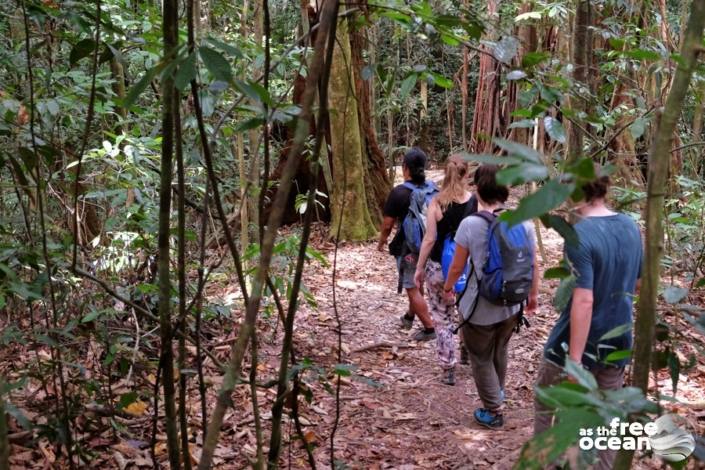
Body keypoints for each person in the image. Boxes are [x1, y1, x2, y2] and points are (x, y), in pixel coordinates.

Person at [533, 173, 642, 469]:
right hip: (617, 340)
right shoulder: (631, 227)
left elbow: (584, 300)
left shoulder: (578, 236)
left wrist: (575, 361)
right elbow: (638, 283)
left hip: (575, 342)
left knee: (545, 401)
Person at [443, 164, 539, 429]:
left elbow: (457, 266)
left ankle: (494, 410)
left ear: (477, 189)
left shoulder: (470, 225)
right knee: (501, 348)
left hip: (480, 306)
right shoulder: (523, 220)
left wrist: (448, 286)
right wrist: (532, 296)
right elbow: (533, 264)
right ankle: (498, 392)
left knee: (481, 356)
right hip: (512, 303)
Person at [414, 154, 475, 385]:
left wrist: (419, 268)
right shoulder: (474, 203)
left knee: (441, 316)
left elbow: (429, 239)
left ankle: (448, 367)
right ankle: (466, 349)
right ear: (466, 174)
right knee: (467, 310)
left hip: (439, 267)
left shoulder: (437, 203)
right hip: (468, 269)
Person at [377, 148, 436, 342]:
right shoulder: (434, 190)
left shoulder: (399, 192)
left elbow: (387, 224)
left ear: (405, 168)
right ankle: (410, 317)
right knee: (417, 282)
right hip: (433, 246)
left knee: (411, 286)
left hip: (409, 248)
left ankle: (430, 328)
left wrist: (382, 242)